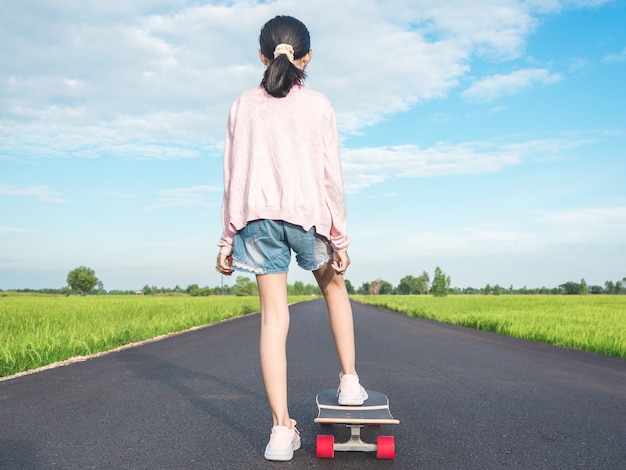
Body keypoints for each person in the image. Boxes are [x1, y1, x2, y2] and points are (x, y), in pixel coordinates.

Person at [215, 15, 367, 462]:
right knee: (334, 288)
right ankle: (351, 382)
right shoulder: (319, 104)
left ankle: (281, 431)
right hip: (307, 218)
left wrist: (226, 239)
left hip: (257, 221)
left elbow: (232, 176)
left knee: (272, 321)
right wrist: (340, 237)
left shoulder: (241, 104)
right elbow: (330, 176)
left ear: (262, 57)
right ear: (308, 58)